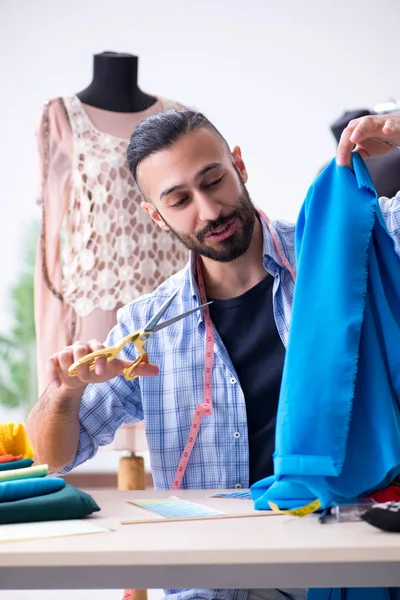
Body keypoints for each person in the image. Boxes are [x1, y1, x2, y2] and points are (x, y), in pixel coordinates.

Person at [27, 109, 400, 600]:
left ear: (239, 166)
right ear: (156, 215)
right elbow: (50, 458)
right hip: (215, 584)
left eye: (214, 180)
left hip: (340, 561)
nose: (209, 210)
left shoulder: (343, 251)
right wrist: (66, 391)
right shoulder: (145, 327)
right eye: (180, 199)